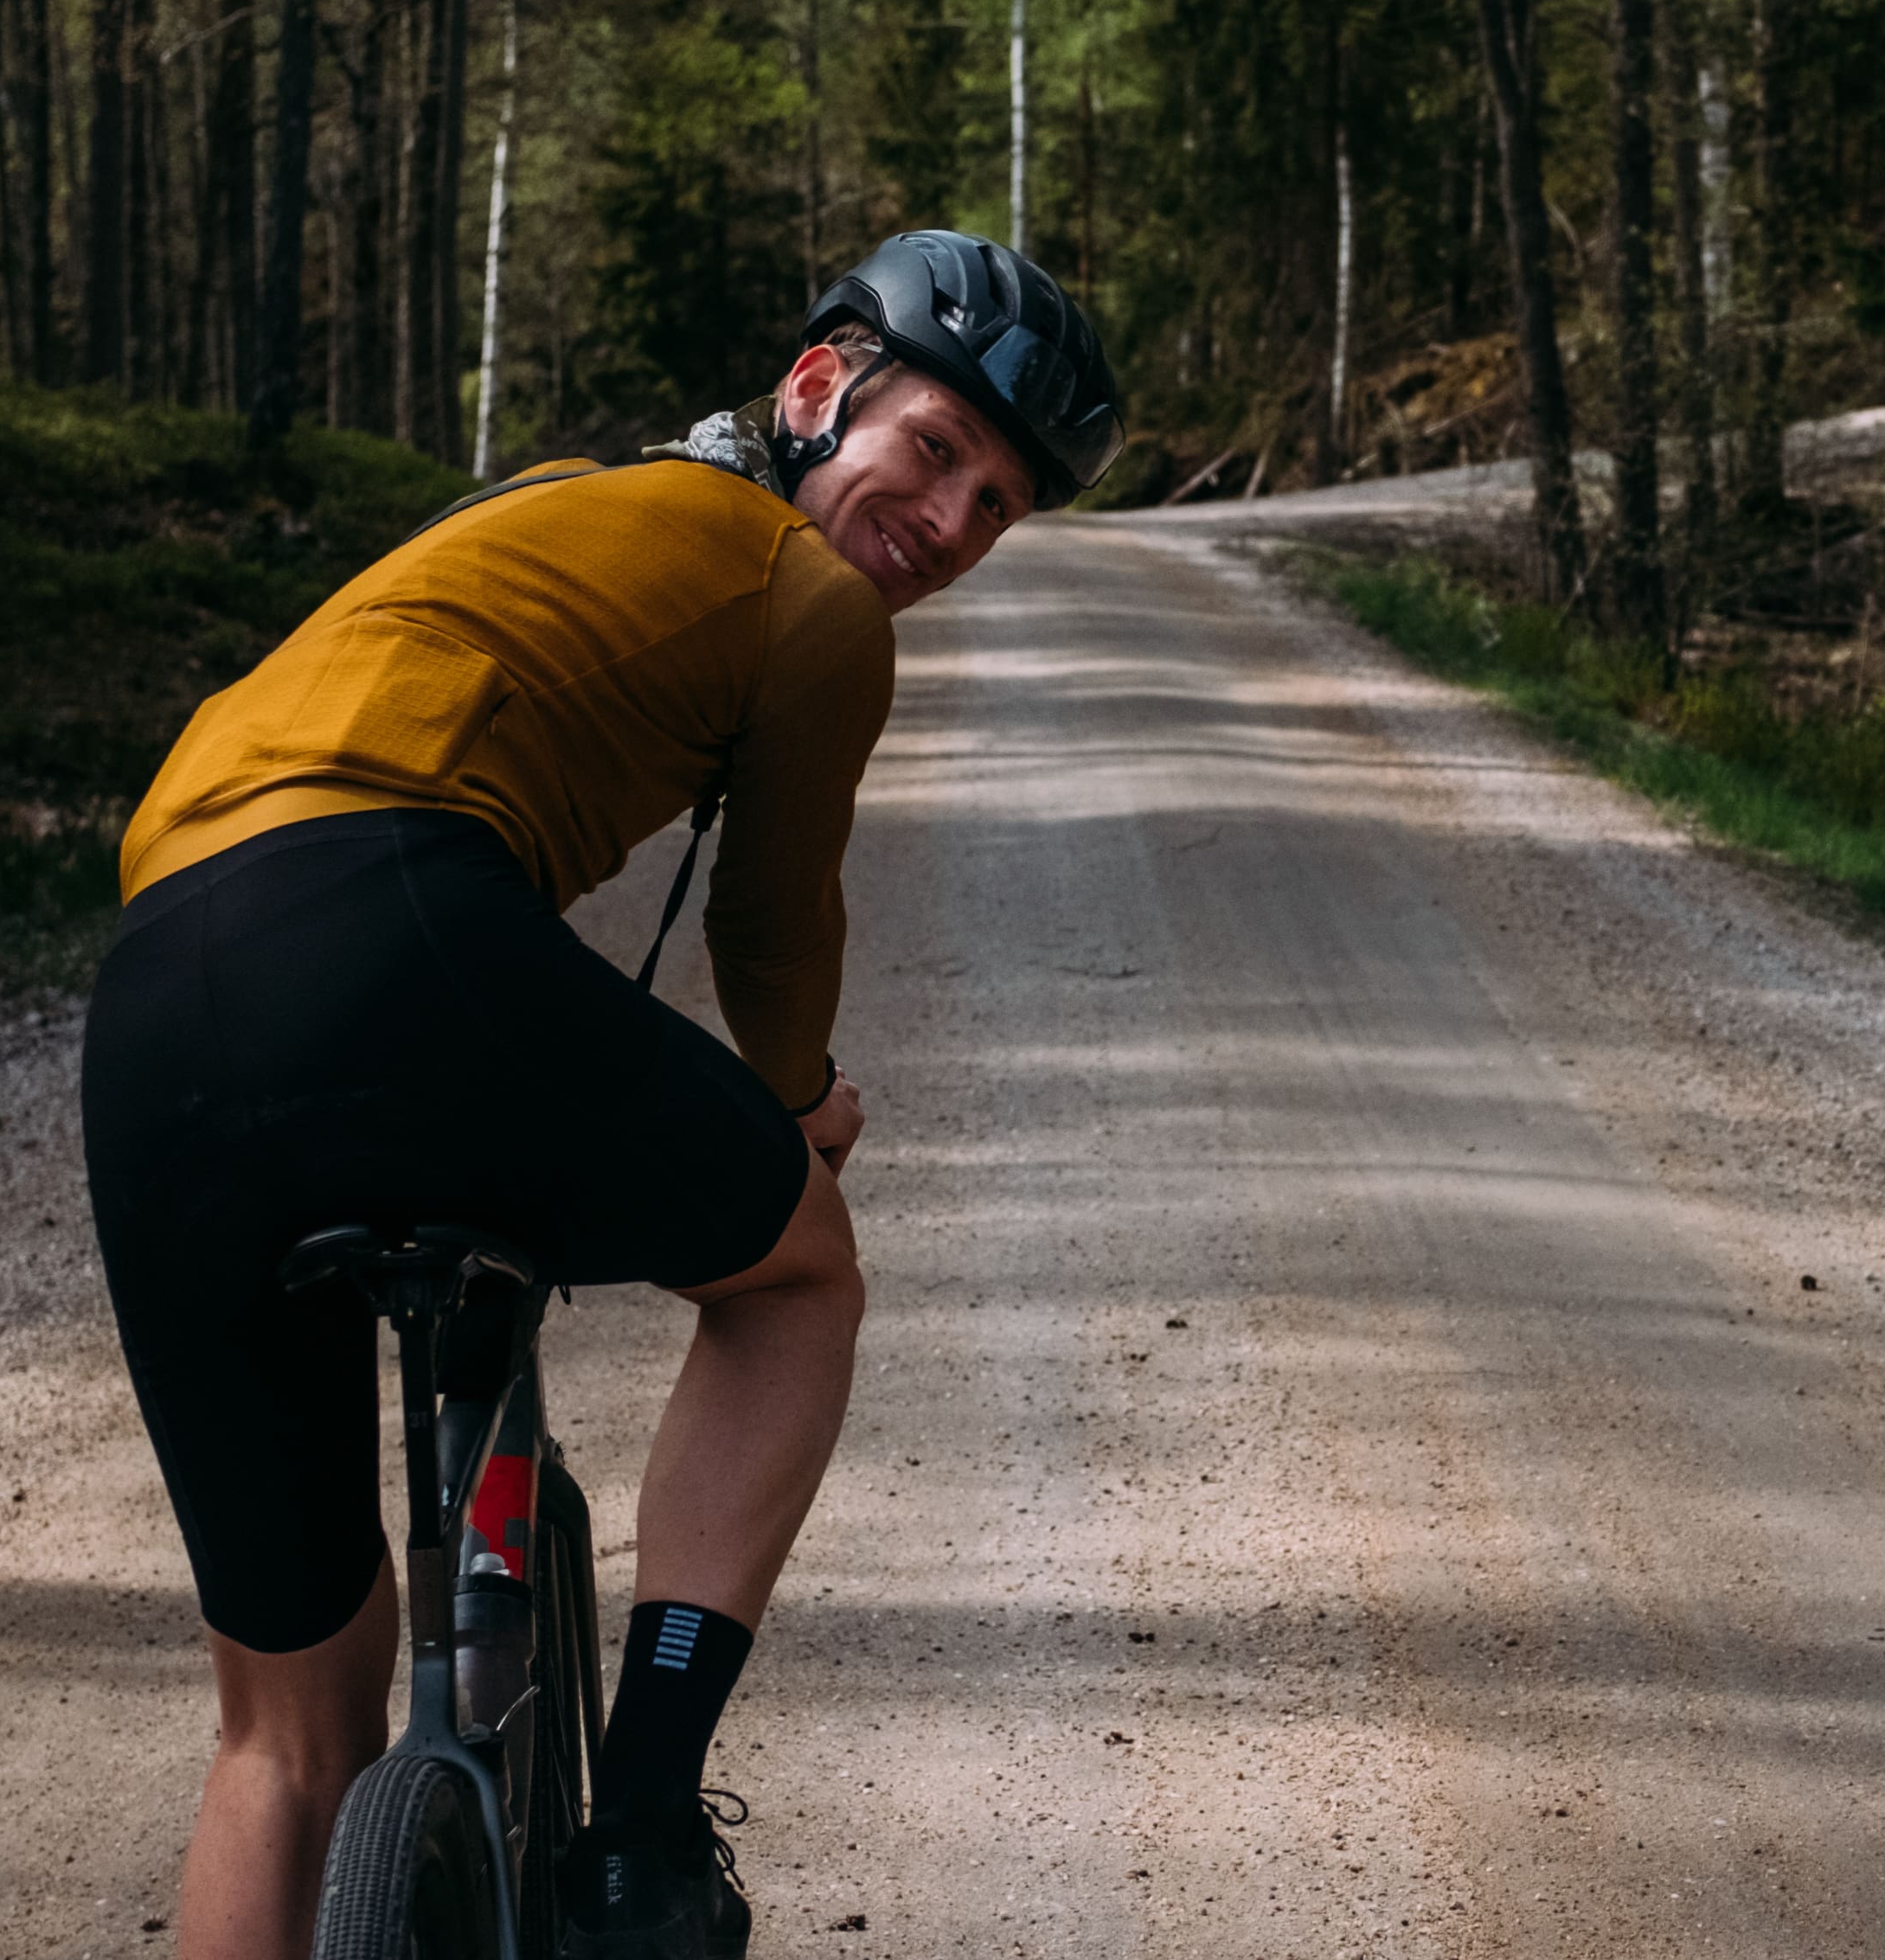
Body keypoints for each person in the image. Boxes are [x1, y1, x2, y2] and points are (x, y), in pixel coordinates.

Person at [80, 230, 1122, 1960]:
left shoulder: (553, 504)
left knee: (285, 1731)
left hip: (152, 994)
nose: (944, 525)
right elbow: (773, 924)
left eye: (993, 505)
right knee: (797, 1266)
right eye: (933, 452)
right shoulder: (806, 600)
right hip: (386, 918)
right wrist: (792, 1115)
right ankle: (639, 1828)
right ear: (815, 388)